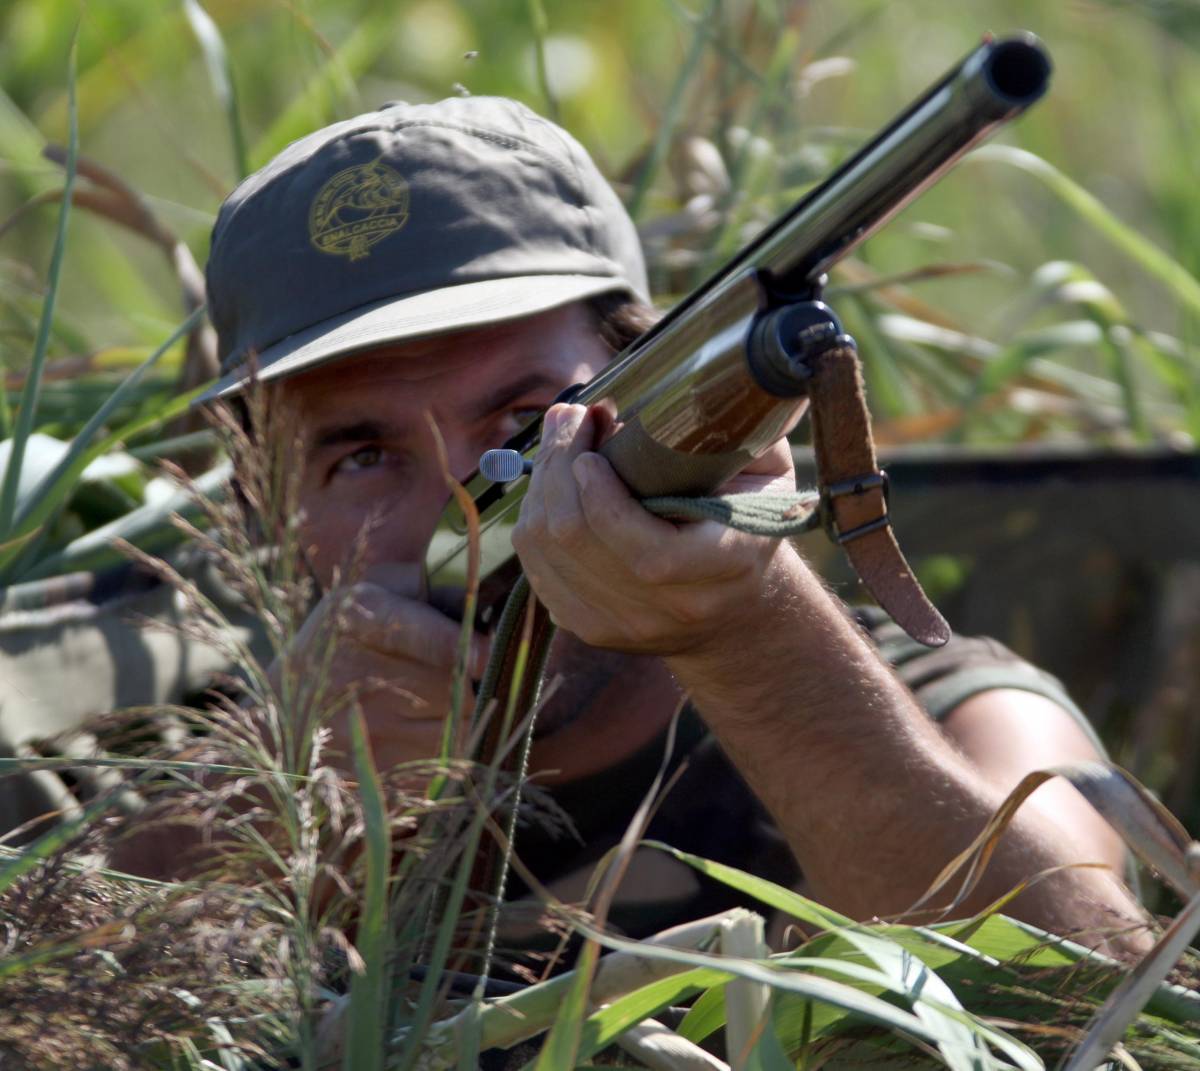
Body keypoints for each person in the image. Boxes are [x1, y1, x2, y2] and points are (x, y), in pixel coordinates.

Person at [7, 96, 1143, 950]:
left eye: (523, 415)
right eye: (363, 456)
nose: (465, 501)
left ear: (650, 399)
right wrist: (278, 816)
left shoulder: (945, 710)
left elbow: (1089, 1002)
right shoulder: (140, 718)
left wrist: (750, 638)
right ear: (263, 503)